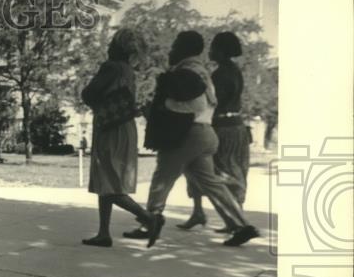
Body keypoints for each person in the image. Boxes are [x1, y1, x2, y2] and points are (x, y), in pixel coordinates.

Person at [127, 31, 259, 248]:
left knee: (163, 178)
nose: (171, 50)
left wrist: (163, 107)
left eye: (175, 45)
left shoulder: (188, 71)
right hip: (206, 134)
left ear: (184, 48)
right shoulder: (204, 72)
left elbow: (195, 105)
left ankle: (150, 222)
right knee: (211, 183)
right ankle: (241, 225)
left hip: (188, 133)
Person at [80, 28, 157, 247]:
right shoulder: (128, 71)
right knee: (107, 180)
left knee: (109, 183)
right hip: (124, 126)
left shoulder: (111, 68)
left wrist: (97, 103)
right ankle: (104, 232)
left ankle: (149, 218)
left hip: (109, 128)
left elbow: (88, 93)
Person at [177, 31, 250, 232]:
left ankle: (227, 218)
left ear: (221, 51)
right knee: (232, 171)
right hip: (237, 127)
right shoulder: (235, 71)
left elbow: (212, 103)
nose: (210, 51)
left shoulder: (219, 75)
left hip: (222, 128)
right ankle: (225, 215)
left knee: (207, 170)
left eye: (214, 47)